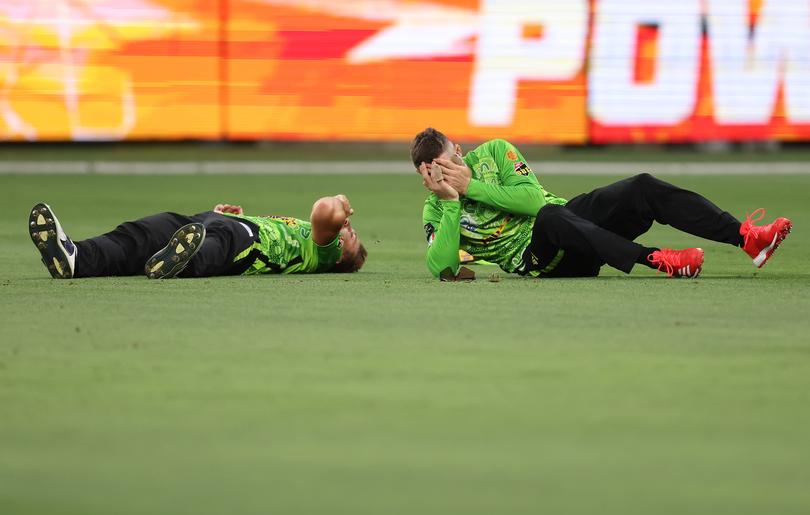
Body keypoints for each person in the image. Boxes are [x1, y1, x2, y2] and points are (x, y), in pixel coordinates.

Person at [410, 127, 792, 279]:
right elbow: (441, 268)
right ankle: (656, 259)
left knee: (641, 187)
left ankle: (747, 239)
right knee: (551, 218)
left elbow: (530, 197)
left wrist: (472, 185)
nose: (444, 176)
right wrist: (452, 202)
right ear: (424, 178)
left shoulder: (494, 152)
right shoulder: (436, 208)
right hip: (542, 260)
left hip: (570, 223)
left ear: (458, 151)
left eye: (449, 164)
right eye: (433, 174)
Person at [28, 194, 367, 279]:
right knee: (140, 235)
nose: (348, 230)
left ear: (338, 257)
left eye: (348, 239)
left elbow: (326, 211)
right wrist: (225, 215)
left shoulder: (319, 254)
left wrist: (341, 204)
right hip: (217, 223)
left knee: (213, 249)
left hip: (245, 243)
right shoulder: (309, 237)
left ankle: (179, 262)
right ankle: (74, 257)